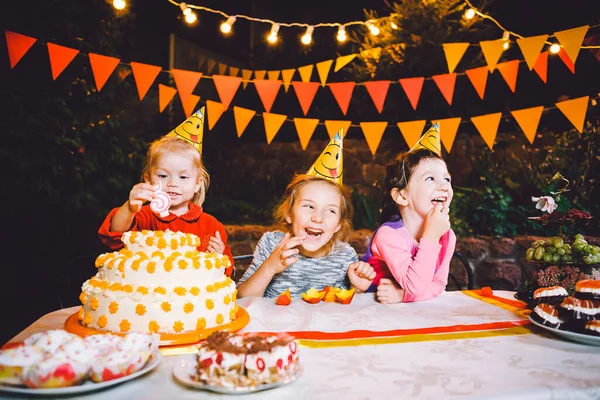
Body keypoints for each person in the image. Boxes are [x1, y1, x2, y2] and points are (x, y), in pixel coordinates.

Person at [98, 135, 234, 275]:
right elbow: (114, 234)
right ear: (148, 179)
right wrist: (129, 208)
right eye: (163, 176)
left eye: (183, 177)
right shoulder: (142, 216)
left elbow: (226, 272)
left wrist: (220, 257)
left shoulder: (211, 226)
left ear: (197, 184)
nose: (172, 183)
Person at [237, 174, 376, 298]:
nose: (318, 218)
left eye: (330, 211)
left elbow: (345, 311)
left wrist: (357, 290)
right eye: (309, 206)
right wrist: (269, 268)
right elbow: (243, 298)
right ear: (289, 214)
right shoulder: (271, 244)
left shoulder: (345, 255)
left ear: (339, 224)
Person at [362, 148, 456, 303]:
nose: (444, 187)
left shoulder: (447, 236)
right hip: (373, 313)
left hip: (412, 314)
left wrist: (403, 296)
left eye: (447, 179)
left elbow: (438, 284)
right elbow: (416, 286)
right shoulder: (388, 235)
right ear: (402, 196)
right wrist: (431, 236)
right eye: (430, 179)